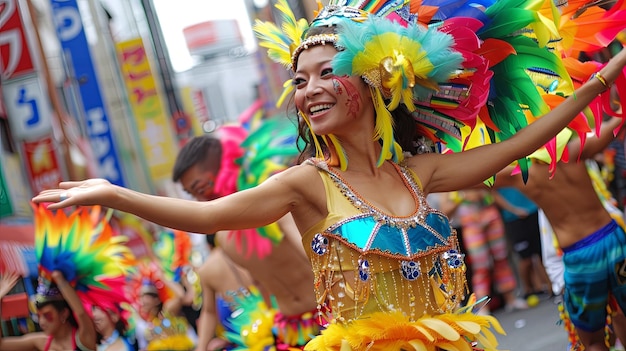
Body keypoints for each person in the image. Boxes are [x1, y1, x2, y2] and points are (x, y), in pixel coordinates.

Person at [33, 0, 626, 349]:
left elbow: (518, 145)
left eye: (325, 73)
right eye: (300, 80)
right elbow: (207, 216)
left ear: (371, 81)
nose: (308, 89)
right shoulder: (307, 184)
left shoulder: (419, 172)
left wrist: (600, 82)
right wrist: (115, 193)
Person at [172, 129, 322, 350]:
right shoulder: (225, 238)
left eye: (202, 188)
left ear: (225, 167)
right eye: (192, 194)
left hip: (331, 317)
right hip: (289, 331)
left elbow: (319, 257)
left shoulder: (276, 204)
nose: (201, 200)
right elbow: (261, 285)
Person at [490, 116, 626, 351]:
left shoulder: (522, 175)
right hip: (614, 240)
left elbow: (473, 175)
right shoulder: (573, 151)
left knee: (592, 341)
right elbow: (614, 124)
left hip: (581, 257)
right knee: (623, 314)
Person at [452, 189, 528, 313]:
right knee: (481, 266)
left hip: (491, 216)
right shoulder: (453, 182)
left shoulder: (482, 176)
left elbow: (493, 193)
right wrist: (462, 196)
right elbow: (446, 208)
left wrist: (513, 209)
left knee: (501, 259)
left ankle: (511, 299)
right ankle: (482, 306)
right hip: (471, 223)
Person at [193, 234, 261, 351]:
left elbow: (209, 312)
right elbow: (209, 312)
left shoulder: (209, 267)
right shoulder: (210, 269)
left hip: (274, 330)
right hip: (250, 338)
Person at [0, 271, 97, 351]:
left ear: (64, 314)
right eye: (38, 316)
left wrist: (60, 279)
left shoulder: (83, 339)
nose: (41, 322)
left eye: (47, 315)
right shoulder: (41, 342)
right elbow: (1, 345)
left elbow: (80, 313)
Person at [493, 187, 553, 301]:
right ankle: (528, 289)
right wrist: (513, 210)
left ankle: (552, 288)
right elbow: (493, 195)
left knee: (542, 253)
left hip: (534, 211)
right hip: (514, 219)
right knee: (526, 258)